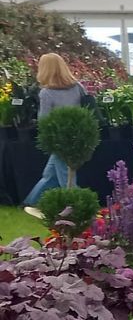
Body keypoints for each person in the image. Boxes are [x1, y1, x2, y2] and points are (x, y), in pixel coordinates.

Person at [23, 53, 85, 216]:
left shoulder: (47, 93)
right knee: (50, 173)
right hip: (78, 134)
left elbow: (44, 120)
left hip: (57, 138)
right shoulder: (77, 87)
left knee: (67, 178)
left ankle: (79, 207)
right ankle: (32, 202)